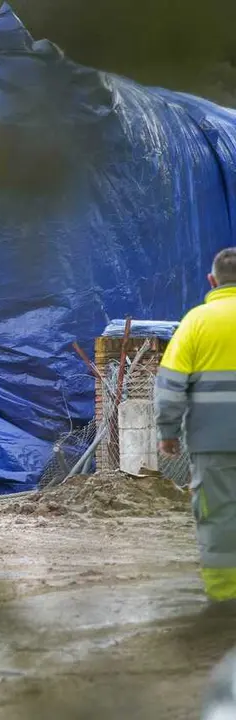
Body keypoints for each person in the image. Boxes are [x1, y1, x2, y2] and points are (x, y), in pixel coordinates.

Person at [156, 247, 236, 606]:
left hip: (213, 442)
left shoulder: (196, 322)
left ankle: (224, 599)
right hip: (212, 442)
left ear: (211, 280)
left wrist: (168, 432)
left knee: (218, 516)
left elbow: (171, 386)